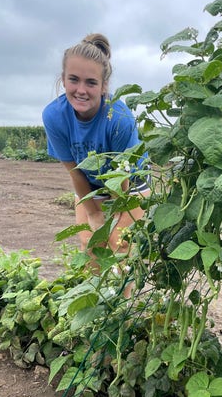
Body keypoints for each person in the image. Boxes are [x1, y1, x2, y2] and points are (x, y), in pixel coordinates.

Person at [42, 33, 149, 260]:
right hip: (89, 181)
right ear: (63, 79)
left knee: (118, 243)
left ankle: (123, 296)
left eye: (91, 82)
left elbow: (121, 178)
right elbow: (75, 171)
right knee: (89, 244)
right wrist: (93, 213)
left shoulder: (119, 118)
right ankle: (95, 294)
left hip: (129, 180)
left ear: (103, 86)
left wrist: (110, 220)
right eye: (74, 79)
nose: (81, 90)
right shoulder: (53, 116)